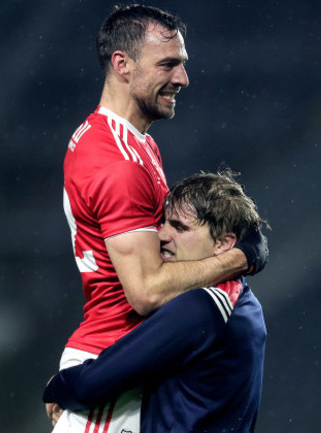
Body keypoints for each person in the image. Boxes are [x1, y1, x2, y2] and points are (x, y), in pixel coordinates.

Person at [51, 4, 268, 432]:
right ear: (122, 65)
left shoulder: (127, 142)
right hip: (112, 367)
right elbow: (146, 292)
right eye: (168, 64)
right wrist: (239, 259)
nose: (182, 78)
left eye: (182, 65)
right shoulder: (121, 164)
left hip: (128, 359)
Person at [44, 170, 268, 432]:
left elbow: (92, 384)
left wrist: (56, 387)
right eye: (164, 223)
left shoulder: (201, 306)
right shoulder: (244, 302)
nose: (161, 235)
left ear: (223, 243)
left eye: (180, 227)